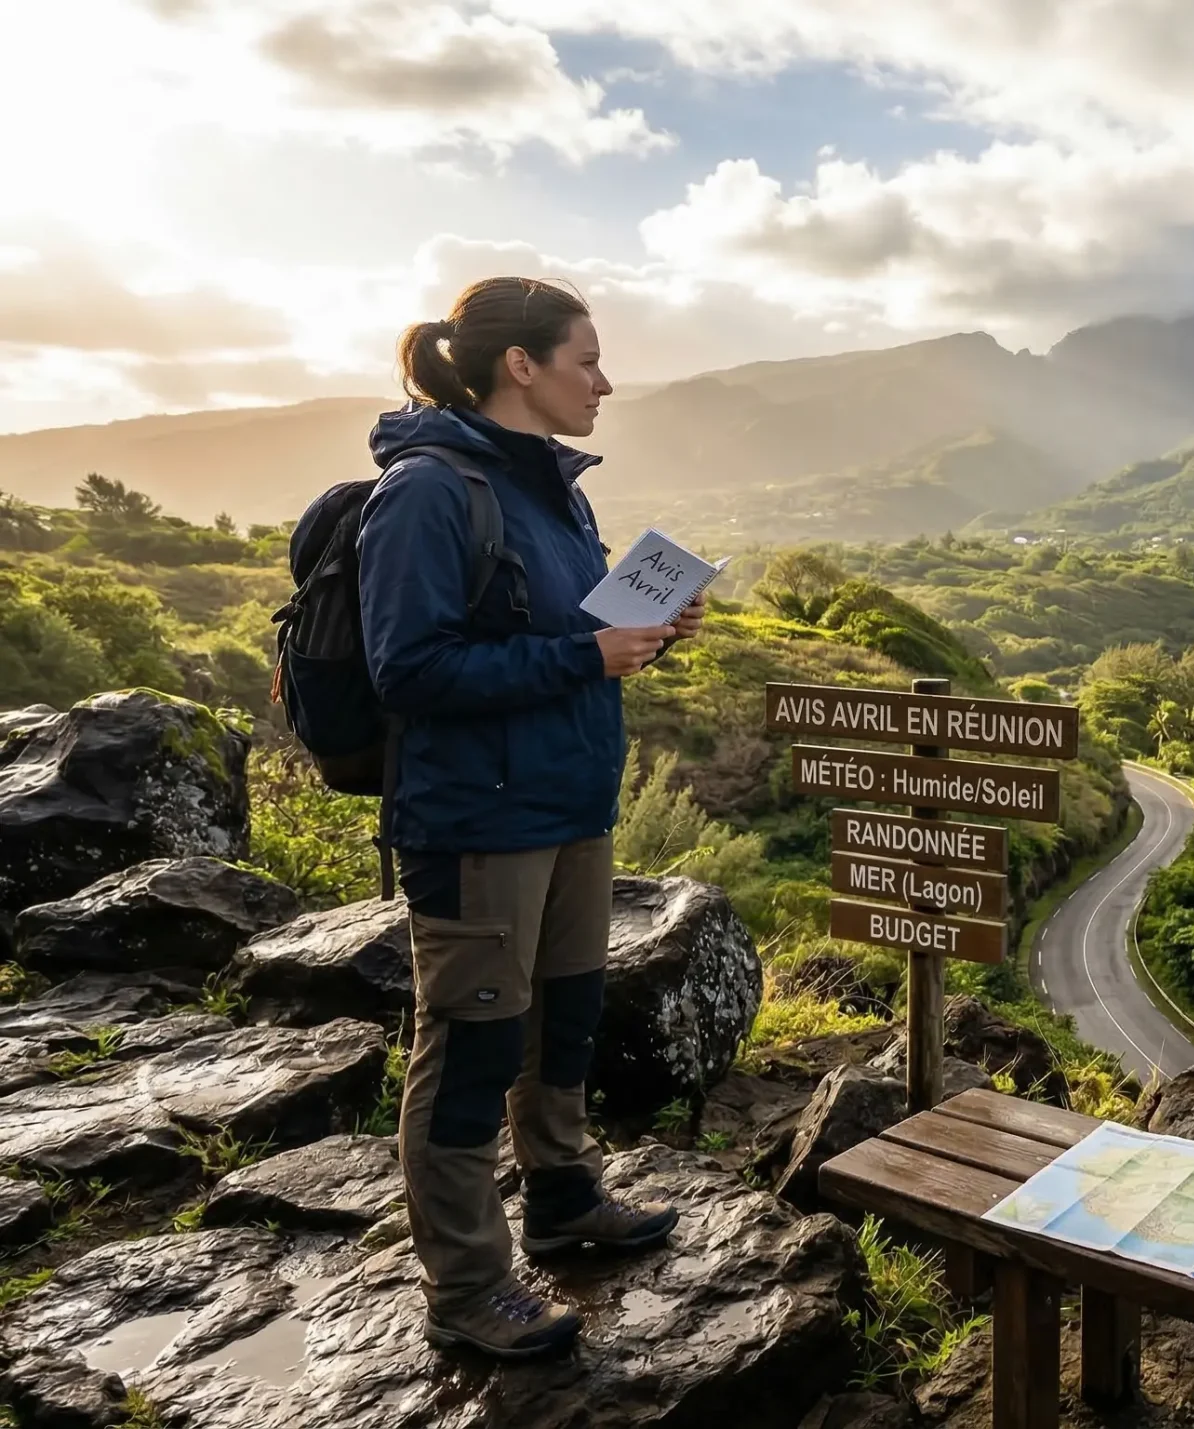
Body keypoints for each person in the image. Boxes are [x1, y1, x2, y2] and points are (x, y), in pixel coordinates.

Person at [361, 276, 706, 1360]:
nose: (603, 381)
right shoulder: (427, 490)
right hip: (477, 823)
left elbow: (562, 640)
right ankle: (467, 1286)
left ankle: (562, 1198)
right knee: (468, 1046)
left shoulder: (557, 491)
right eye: (587, 359)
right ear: (522, 365)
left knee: (562, 1021)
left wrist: (644, 631)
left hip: (570, 803)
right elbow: (406, 669)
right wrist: (580, 654)